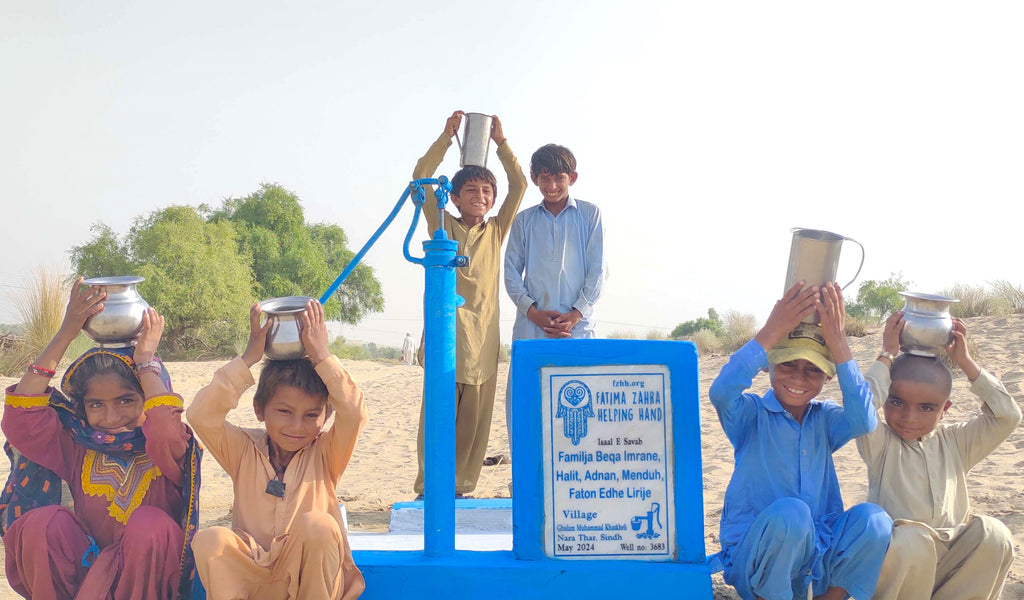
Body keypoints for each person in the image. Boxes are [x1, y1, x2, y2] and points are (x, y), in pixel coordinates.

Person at [1, 277, 202, 600]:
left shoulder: (167, 448)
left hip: (152, 583)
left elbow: (164, 425)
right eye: (96, 404)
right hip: (88, 575)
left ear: (148, 398)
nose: (111, 418)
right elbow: (21, 418)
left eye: (126, 401)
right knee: (42, 524)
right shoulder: (77, 442)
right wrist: (67, 331)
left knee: (151, 525)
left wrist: (146, 362)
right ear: (82, 407)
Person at [708, 282, 892, 600]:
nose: (798, 378)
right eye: (788, 365)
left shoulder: (825, 419)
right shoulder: (750, 415)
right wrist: (771, 330)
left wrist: (838, 342)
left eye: (812, 370)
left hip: (814, 560)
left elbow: (864, 419)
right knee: (793, 514)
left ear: (827, 377)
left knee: (875, 520)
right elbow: (721, 390)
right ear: (768, 365)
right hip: (756, 563)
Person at [187, 298, 367, 600]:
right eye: (284, 412)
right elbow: (200, 415)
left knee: (317, 525)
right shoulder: (243, 449)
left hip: (310, 579)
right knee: (210, 539)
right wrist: (247, 359)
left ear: (326, 416)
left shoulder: (326, 452)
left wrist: (321, 355)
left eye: (311, 415)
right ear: (260, 409)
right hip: (257, 578)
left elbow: (355, 412)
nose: (298, 427)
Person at [857, 312, 1021, 600]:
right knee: (912, 538)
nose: (908, 417)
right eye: (896, 402)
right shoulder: (879, 442)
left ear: (944, 409)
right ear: (884, 399)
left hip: (949, 560)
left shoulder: (955, 441)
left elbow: (1007, 416)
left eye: (926, 408)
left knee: (994, 533)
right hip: (899, 564)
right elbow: (860, 408)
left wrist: (966, 363)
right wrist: (886, 353)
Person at [410, 109, 527, 497]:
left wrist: (501, 143)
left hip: (484, 340)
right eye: (472, 191)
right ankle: (430, 487)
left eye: (486, 192)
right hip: (447, 338)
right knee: (439, 417)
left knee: (475, 423)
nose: (481, 197)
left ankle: (461, 488)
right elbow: (421, 176)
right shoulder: (441, 223)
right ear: (455, 197)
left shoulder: (496, 230)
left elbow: (519, 183)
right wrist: (446, 137)